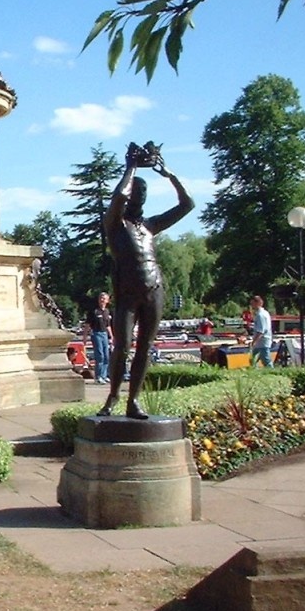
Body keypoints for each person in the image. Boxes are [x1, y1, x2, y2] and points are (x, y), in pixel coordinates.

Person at [97, 142, 194, 419]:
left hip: (154, 291)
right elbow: (117, 197)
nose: (140, 195)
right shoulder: (115, 225)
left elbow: (187, 205)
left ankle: (134, 401)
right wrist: (131, 168)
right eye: (137, 191)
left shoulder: (150, 226)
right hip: (126, 294)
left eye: (144, 191)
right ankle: (113, 397)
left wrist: (169, 175)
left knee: (145, 348)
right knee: (122, 347)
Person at [87, 292, 113, 384]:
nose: (102, 300)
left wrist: (111, 336)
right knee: (100, 355)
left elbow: (108, 325)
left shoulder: (107, 312)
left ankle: (104, 375)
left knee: (106, 356)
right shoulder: (94, 311)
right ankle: (98, 377)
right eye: (100, 298)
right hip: (96, 333)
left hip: (104, 334)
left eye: (104, 298)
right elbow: (88, 325)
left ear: (107, 300)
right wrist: (85, 338)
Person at [249, 295, 273, 367]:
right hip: (261, 342)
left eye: (252, 304)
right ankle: (255, 372)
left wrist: (254, 342)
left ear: (258, 303)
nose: (251, 306)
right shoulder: (265, 313)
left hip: (262, 341)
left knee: (266, 360)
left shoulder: (260, 315)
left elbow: (261, 330)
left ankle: (272, 372)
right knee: (253, 359)